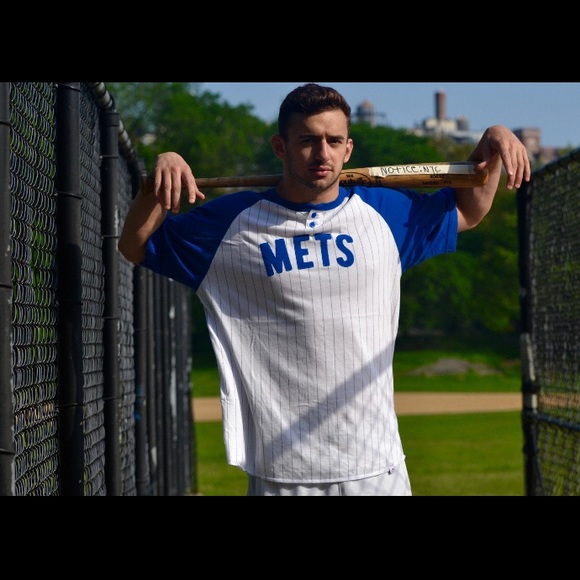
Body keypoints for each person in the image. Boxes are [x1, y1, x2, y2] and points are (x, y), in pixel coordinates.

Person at [118, 83, 531, 496]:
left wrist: (490, 145)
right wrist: (158, 181)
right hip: (282, 473)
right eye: (308, 140)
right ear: (280, 147)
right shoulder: (231, 224)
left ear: (348, 149)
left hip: (377, 468)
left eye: (334, 141)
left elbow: (467, 209)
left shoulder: (385, 215)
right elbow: (135, 245)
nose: (322, 154)